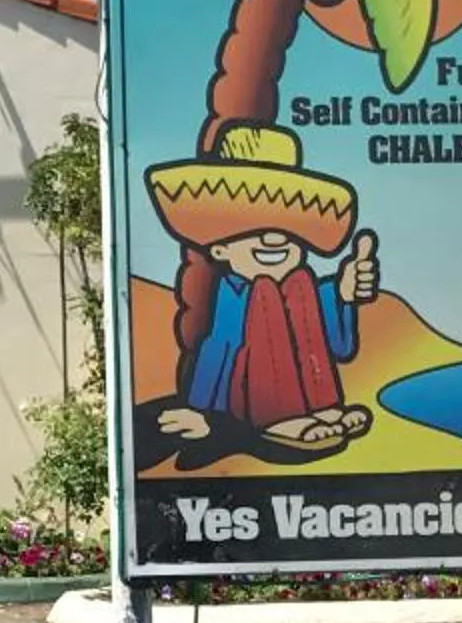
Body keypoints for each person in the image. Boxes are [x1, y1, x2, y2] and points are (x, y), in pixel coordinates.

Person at [146, 124, 380, 454]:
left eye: (290, 227)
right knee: (261, 313)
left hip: (310, 388)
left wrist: (342, 293)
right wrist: (200, 409)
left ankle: (323, 411)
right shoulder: (234, 293)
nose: (275, 238)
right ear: (219, 247)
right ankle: (279, 419)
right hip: (247, 398)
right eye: (253, 227)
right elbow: (218, 349)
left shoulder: (302, 288)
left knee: (301, 293)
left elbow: (327, 341)